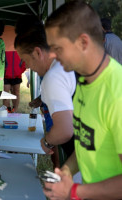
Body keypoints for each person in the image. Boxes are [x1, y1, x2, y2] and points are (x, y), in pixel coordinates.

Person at [44, 1, 122, 199]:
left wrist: (74, 191)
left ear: (83, 42)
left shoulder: (117, 93)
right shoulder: (84, 82)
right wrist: (67, 171)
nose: (52, 55)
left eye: (57, 48)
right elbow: (87, 144)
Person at [14, 16, 76, 166]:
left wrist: (47, 141)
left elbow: (65, 130)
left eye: (26, 60)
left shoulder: (52, 78)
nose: (27, 67)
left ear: (37, 53)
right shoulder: (65, 62)